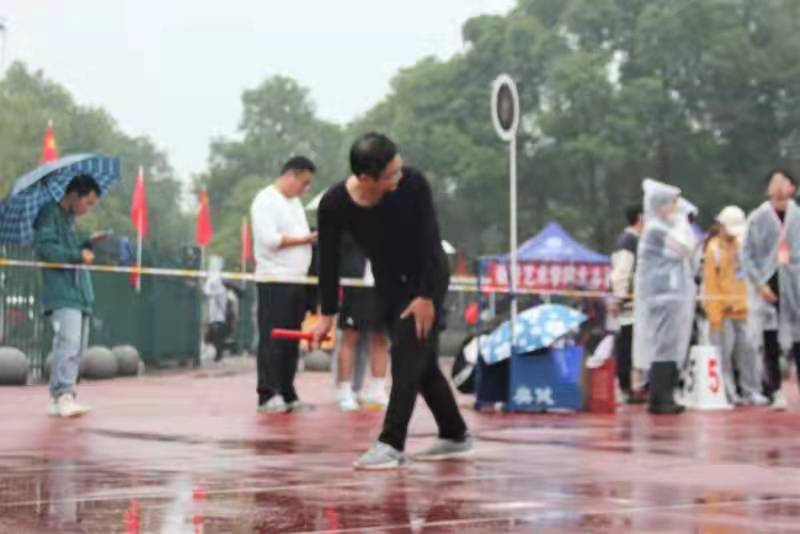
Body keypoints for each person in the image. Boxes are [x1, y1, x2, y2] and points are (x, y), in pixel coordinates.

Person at [312, 132, 471, 469]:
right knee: (422, 364)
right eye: (390, 174)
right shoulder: (334, 203)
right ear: (365, 178)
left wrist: (427, 296)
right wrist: (327, 313)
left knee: (405, 356)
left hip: (426, 278)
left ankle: (391, 443)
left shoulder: (413, 185)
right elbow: (328, 260)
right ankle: (455, 432)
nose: (399, 176)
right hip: (388, 285)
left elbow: (431, 245)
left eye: (399, 168)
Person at [251, 156, 318, 413]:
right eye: (304, 182)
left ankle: (288, 391)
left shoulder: (295, 203)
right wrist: (305, 240)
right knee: (273, 337)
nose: (305, 189)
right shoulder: (265, 200)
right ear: (290, 175)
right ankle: (268, 393)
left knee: (292, 340)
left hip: (297, 280)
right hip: (274, 280)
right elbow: (269, 240)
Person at [34, 174, 102, 418]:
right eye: (88, 202)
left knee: (77, 346)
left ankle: (62, 395)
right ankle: (63, 394)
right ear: (74, 195)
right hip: (62, 292)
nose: (87, 208)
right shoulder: (48, 214)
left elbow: (70, 250)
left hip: (79, 292)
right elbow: (46, 250)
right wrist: (77, 255)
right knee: (68, 343)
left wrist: (87, 245)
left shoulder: (69, 220)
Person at [633, 179, 698, 415]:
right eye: (672, 203)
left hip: (670, 295)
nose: (675, 208)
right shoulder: (656, 229)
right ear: (660, 205)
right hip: (662, 296)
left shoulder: (660, 228)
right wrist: (681, 221)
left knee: (669, 346)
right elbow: (685, 247)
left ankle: (665, 396)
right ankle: (660, 399)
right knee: (664, 347)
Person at [741, 168, 800, 410]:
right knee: (770, 341)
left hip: (795, 286)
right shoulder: (757, 217)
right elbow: (747, 253)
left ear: (792, 188)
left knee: (798, 339)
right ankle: (775, 390)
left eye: (783, 182)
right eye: (774, 182)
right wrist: (759, 284)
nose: (778, 186)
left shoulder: (798, 215)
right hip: (768, 285)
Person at [703, 207, 769, 406]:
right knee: (723, 354)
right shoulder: (713, 249)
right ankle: (728, 392)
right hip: (722, 311)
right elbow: (710, 283)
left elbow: (747, 275)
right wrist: (715, 313)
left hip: (743, 309)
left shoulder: (741, 245)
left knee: (748, 352)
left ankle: (751, 391)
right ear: (721, 226)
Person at [335, 233, 390, 411]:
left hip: (383, 284)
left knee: (381, 338)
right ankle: (344, 391)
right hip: (356, 284)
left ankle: (378, 390)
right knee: (350, 337)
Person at [608, 204, 645, 403]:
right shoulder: (629, 241)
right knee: (627, 345)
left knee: (630, 344)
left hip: (632, 301)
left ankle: (631, 386)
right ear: (640, 217)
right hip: (630, 303)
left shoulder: (631, 240)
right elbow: (621, 271)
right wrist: (619, 297)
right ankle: (626, 388)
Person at [203, 255, 228, 363]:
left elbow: (208, 291)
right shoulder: (212, 278)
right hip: (213, 313)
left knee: (217, 335)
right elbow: (206, 290)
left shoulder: (219, 280)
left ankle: (218, 355)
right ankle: (217, 354)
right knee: (212, 335)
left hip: (218, 315)